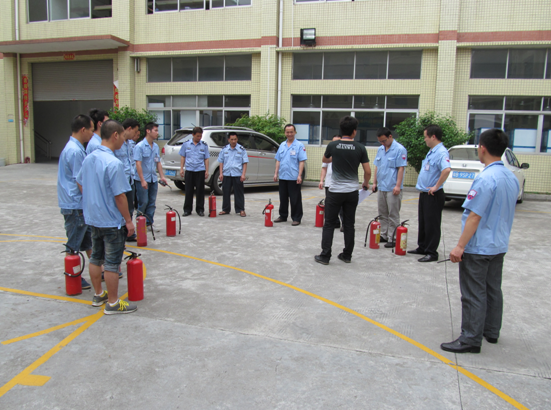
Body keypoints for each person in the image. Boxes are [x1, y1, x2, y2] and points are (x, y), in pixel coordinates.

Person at [441, 129, 519, 354]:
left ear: (482, 148)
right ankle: (491, 331)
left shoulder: (485, 178)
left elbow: (475, 216)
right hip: (499, 244)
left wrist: (460, 246)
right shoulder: (510, 177)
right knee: (493, 289)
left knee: (473, 292)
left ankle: (470, 339)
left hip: (479, 247)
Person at [76, 120, 137, 314]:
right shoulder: (113, 163)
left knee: (96, 257)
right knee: (111, 262)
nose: (123, 141)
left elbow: (80, 182)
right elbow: (120, 196)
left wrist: (92, 200)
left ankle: (98, 294)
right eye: (122, 136)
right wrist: (128, 220)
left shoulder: (88, 158)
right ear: (116, 135)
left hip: (93, 217)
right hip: (111, 220)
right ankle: (112, 302)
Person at [315, 116, 371, 265]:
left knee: (329, 224)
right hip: (352, 191)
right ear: (354, 132)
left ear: (341, 131)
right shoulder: (360, 148)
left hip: (334, 192)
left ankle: (325, 256)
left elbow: (325, 160)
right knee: (348, 224)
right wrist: (365, 183)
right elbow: (368, 171)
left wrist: (336, 157)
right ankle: (347, 255)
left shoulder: (333, 146)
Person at [57, 114, 95, 290]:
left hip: (74, 203)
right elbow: (80, 181)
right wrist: (91, 202)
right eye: (92, 130)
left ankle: (98, 270)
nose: (92, 135)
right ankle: (73, 276)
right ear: (83, 130)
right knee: (74, 244)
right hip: (75, 204)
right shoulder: (75, 151)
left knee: (87, 241)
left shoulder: (73, 147)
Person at [408, 124, 451, 262]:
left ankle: (432, 252)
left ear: (433, 136)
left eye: (426, 137)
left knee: (432, 223)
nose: (424, 140)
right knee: (424, 222)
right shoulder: (432, 151)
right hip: (424, 193)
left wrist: (436, 186)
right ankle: (423, 246)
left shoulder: (441, 152)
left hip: (433, 194)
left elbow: (446, 170)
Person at [372, 127, 408, 248]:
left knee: (393, 213)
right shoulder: (381, 149)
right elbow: (377, 166)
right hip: (382, 186)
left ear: (390, 137)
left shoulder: (399, 149)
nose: (383, 143)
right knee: (382, 212)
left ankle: (393, 237)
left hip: (392, 187)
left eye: (384, 141)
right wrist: (374, 183)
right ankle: (384, 234)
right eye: (380, 141)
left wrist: (398, 185)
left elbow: (401, 168)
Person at [134, 122, 167, 228]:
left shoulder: (156, 147)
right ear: (148, 131)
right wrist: (142, 180)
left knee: (152, 203)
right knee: (143, 202)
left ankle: (149, 223)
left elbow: (158, 162)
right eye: (155, 130)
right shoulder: (139, 147)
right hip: (142, 180)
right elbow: (138, 164)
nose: (157, 133)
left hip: (153, 179)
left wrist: (162, 176)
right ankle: (140, 222)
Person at [273, 124, 307, 226]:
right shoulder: (282, 145)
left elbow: (302, 161)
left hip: (294, 176)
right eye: (287, 132)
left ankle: (296, 218)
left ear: (295, 132)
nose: (289, 134)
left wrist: (299, 175)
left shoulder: (299, 146)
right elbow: (278, 160)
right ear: (285, 133)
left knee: (295, 198)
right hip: (283, 176)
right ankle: (283, 215)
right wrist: (276, 173)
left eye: (291, 132)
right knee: (283, 198)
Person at [114, 118, 140, 242]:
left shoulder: (130, 143)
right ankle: (119, 234)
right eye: (134, 131)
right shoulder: (116, 144)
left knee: (129, 208)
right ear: (128, 129)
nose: (135, 135)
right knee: (120, 207)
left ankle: (128, 233)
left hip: (130, 180)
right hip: (119, 181)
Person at [179, 127, 210, 217]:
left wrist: (207, 170)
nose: (199, 138)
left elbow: (206, 158)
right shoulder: (186, 144)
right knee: (188, 191)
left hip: (200, 170)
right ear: (193, 135)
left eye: (200, 136)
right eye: (197, 136)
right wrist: (181, 168)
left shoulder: (204, 145)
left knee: (200, 191)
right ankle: (187, 210)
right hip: (189, 170)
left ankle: (200, 209)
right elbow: (183, 157)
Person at [218, 132, 249, 217]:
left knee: (239, 193)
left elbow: (245, 162)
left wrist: (243, 174)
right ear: (228, 140)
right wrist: (221, 173)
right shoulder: (224, 149)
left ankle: (241, 210)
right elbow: (221, 162)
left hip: (237, 174)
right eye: (231, 139)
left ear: (237, 139)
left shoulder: (241, 149)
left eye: (235, 139)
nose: (233, 141)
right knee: (226, 192)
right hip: (227, 173)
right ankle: (225, 209)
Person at [318, 135, 343, 230]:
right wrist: (321, 181)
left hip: (340, 183)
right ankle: (334, 222)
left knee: (341, 206)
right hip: (329, 183)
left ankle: (344, 223)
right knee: (330, 205)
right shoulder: (328, 154)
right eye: (333, 142)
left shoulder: (344, 154)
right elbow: (324, 168)